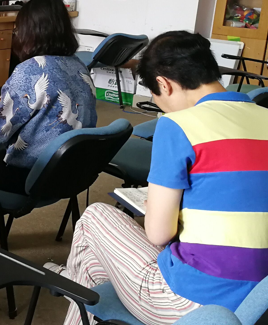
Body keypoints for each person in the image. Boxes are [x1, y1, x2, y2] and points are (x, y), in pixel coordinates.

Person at [54, 31, 268, 325]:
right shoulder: (264, 116)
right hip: (256, 303)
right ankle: (72, 281)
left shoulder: (178, 125)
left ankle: (66, 280)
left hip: (193, 302)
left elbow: (158, 235)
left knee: (94, 218)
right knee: (93, 265)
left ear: (164, 85)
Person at [0, 0, 97, 238]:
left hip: (32, 176)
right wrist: (8, 102)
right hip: (70, 172)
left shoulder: (31, 69)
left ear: (30, 31)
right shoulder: (79, 66)